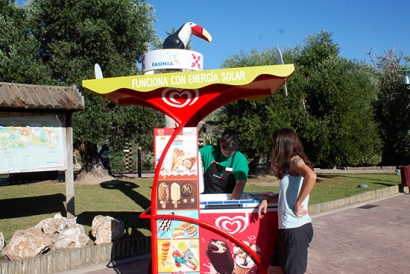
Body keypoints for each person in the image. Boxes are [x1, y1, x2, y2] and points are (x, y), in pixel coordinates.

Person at [258, 128, 316, 274]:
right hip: (286, 229)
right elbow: (285, 194)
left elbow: (311, 176)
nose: (273, 148)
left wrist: (298, 203)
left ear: (283, 144)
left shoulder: (295, 161)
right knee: (274, 270)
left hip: (296, 230)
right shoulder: (288, 166)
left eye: (275, 144)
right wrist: (268, 200)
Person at [199, 129, 249, 200]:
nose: (227, 151)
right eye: (225, 148)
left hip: (229, 199)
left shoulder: (240, 159)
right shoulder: (208, 151)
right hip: (207, 199)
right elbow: (190, 153)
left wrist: (233, 203)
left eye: (231, 150)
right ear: (220, 142)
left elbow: (240, 183)